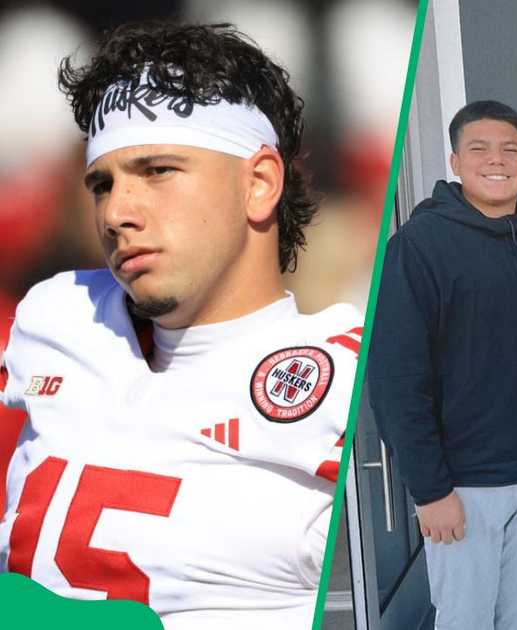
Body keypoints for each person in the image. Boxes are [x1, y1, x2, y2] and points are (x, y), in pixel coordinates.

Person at [0, 22, 361, 630]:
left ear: (260, 183)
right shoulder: (54, 317)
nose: (117, 213)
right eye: (102, 184)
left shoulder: (347, 377)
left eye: (159, 170)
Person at [369, 100, 517, 630]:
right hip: (466, 484)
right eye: (478, 148)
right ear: (456, 162)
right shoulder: (418, 247)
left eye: (509, 149)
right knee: (466, 620)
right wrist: (430, 490)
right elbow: (395, 379)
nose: (496, 160)